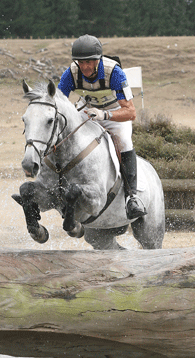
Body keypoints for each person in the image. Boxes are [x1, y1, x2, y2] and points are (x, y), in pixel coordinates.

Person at [58, 34, 147, 219]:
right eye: (80, 62)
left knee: (123, 141)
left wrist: (105, 115)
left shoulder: (114, 72)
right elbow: (59, 102)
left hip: (115, 114)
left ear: (98, 60)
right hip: (88, 112)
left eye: (89, 62)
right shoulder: (70, 73)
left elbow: (131, 112)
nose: (84, 67)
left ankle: (132, 197)